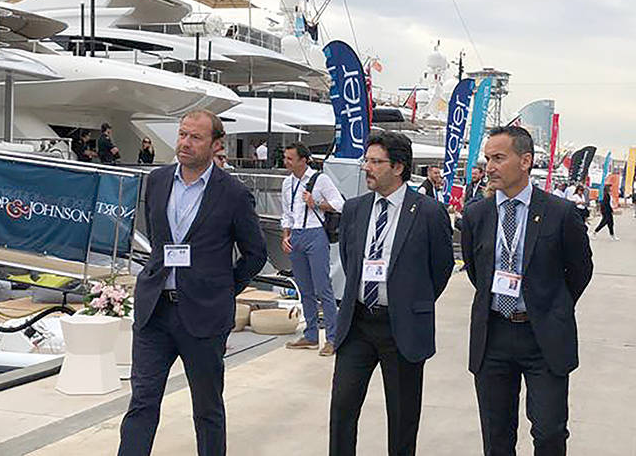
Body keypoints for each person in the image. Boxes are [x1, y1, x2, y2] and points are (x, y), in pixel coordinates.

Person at [118, 110, 267, 456]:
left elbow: (255, 254)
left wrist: (223, 289)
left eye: (195, 137)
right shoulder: (156, 180)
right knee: (142, 402)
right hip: (154, 312)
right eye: (182, 134)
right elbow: (158, 241)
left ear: (216, 144)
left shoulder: (232, 193)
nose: (184, 143)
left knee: (207, 409)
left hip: (203, 317)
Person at [460, 126, 593, 456]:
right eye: (488, 158)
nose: (489, 166)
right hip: (493, 335)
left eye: (499, 158)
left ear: (525, 161)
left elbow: (580, 270)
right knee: (496, 434)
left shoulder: (560, 214)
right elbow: (477, 272)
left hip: (542, 336)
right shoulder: (477, 214)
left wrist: (551, 304)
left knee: (549, 432)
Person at [330, 132, 454, 456]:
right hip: (357, 324)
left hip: (401, 328)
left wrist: (409, 302)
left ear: (398, 167)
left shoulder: (428, 212)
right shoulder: (355, 209)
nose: (366, 168)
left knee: (402, 418)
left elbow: (439, 270)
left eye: (375, 162)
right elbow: (349, 259)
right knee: (342, 409)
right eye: (366, 161)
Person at [280, 142, 345, 357]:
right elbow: (287, 213)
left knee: (322, 287)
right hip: (297, 234)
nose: (286, 161)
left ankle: (333, 338)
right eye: (285, 157)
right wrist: (286, 235)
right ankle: (310, 335)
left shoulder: (319, 179)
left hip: (315, 233)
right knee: (304, 288)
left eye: (290, 158)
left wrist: (316, 203)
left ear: (302, 160)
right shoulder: (287, 183)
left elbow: (340, 204)